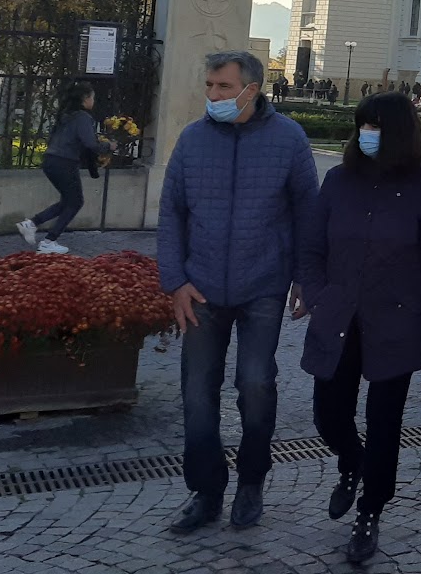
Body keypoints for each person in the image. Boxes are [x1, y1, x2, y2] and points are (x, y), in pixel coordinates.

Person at [158, 51, 319, 535]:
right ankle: (205, 492)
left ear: (252, 89)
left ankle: (252, 481)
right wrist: (175, 281)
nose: (213, 96)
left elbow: (308, 213)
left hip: (263, 286)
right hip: (201, 288)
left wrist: (305, 278)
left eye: (223, 87)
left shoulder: (288, 138)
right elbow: (171, 214)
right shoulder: (191, 140)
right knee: (197, 393)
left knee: (255, 384)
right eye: (209, 86)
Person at [298, 92, 421, 565]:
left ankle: (370, 510)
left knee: (384, 422)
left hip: (397, 319)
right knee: (329, 413)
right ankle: (352, 461)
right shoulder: (338, 180)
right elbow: (311, 247)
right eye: (361, 125)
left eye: (376, 126)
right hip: (338, 315)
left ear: (398, 132)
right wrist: (317, 292)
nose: (367, 134)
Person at [18, 80, 111, 254]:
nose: (94, 101)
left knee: (68, 201)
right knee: (76, 202)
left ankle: (30, 224)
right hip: (65, 162)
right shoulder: (83, 117)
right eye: (93, 97)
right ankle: (48, 241)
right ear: (85, 99)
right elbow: (90, 144)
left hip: (51, 161)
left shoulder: (67, 115)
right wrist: (108, 147)